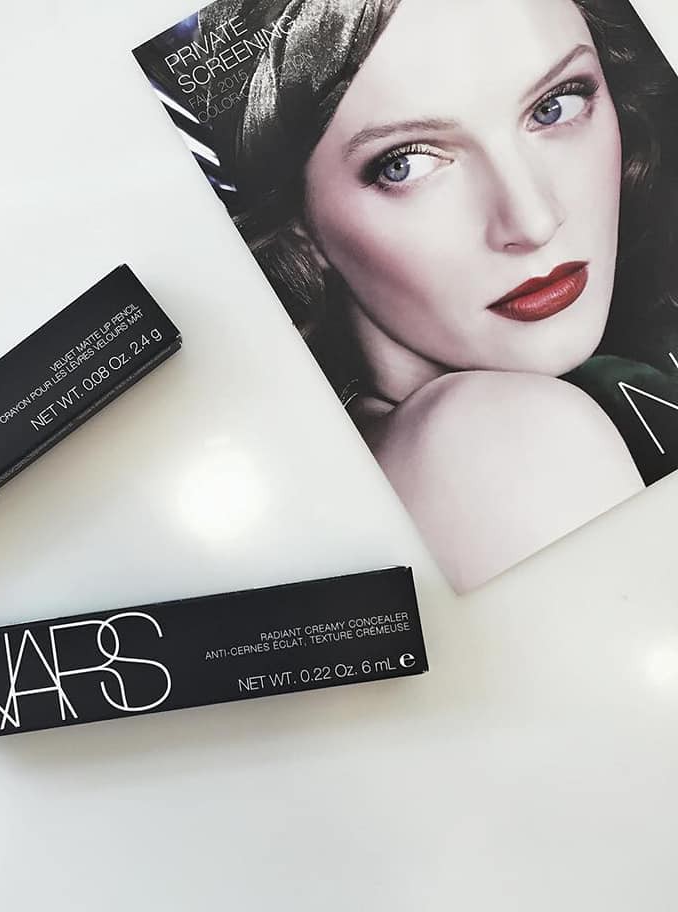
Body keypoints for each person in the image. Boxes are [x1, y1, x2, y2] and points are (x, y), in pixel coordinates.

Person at [206, 0, 678, 589]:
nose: (533, 221)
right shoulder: (503, 445)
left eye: (554, 106)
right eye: (405, 164)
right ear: (301, 229)